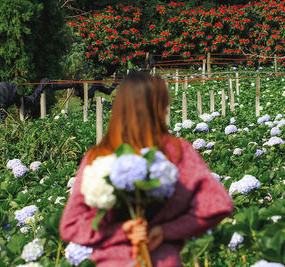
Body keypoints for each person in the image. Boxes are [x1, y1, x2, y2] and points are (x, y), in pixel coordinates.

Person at [59, 70, 233, 266]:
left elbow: (71, 225)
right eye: (164, 105)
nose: (166, 112)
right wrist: (166, 230)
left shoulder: (99, 157)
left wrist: (118, 231)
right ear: (156, 108)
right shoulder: (177, 152)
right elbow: (218, 204)